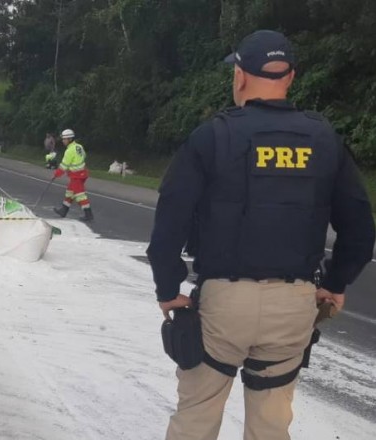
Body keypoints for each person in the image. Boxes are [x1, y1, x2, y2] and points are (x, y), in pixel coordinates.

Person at [147, 30, 375, 440]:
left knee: (196, 417)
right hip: (294, 306)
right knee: (271, 425)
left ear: (239, 75)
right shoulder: (324, 139)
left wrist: (168, 286)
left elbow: (170, 220)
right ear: (290, 77)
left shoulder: (212, 136)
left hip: (222, 304)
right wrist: (335, 283)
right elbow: (359, 226)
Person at [52, 129, 93, 221]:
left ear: (70, 139)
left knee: (80, 195)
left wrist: (56, 174)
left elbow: (64, 165)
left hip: (76, 175)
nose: (63, 141)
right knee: (70, 192)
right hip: (82, 173)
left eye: (64, 139)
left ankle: (88, 214)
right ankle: (64, 210)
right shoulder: (79, 146)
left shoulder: (69, 150)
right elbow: (84, 156)